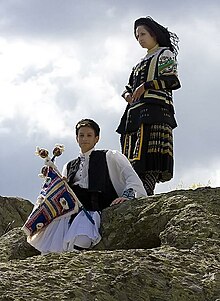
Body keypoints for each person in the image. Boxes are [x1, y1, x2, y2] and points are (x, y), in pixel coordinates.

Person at [27, 119, 147, 254]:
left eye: (89, 135)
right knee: (53, 249)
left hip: (94, 209)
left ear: (97, 138)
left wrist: (127, 196)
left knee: (81, 241)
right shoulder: (69, 165)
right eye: (81, 135)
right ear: (77, 138)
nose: (85, 139)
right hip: (71, 212)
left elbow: (130, 176)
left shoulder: (109, 156)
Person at [116, 16, 181, 196]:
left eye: (143, 34)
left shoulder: (164, 54)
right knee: (132, 155)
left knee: (150, 155)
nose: (140, 39)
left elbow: (172, 80)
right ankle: (134, 190)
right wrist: (127, 95)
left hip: (156, 110)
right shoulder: (138, 64)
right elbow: (128, 86)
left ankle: (145, 191)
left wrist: (146, 86)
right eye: (137, 36)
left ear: (154, 34)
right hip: (134, 114)